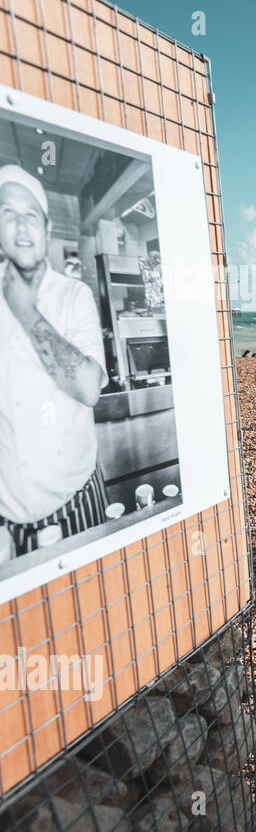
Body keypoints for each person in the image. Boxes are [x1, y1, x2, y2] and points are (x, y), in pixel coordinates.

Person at [0, 164, 109, 559]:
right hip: (7, 521)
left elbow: (88, 388)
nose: (21, 226)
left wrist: (26, 312)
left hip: (76, 503)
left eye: (31, 215)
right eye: (8, 213)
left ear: (46, 231)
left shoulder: (72, 295)